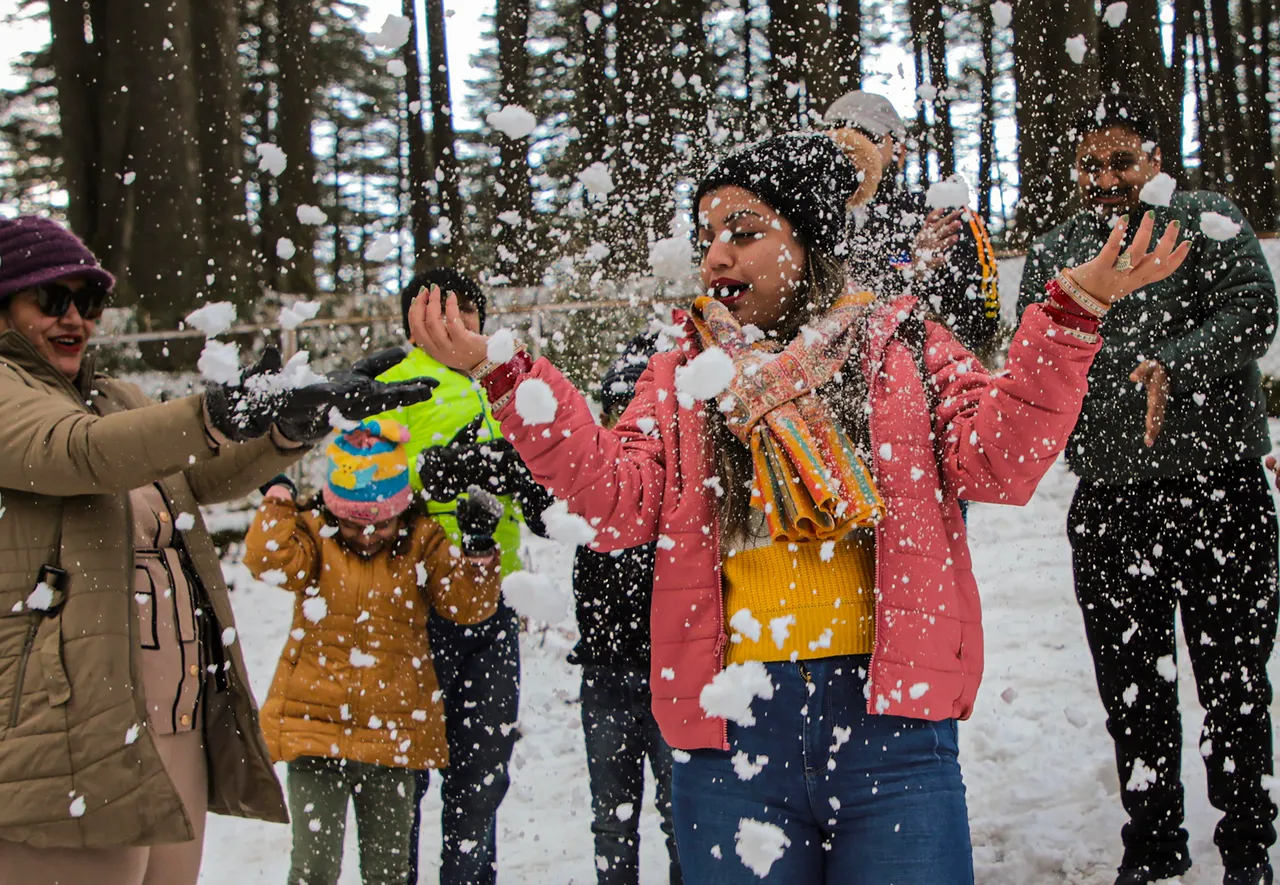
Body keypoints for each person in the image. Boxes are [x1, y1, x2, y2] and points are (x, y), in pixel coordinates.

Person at [408, 131, 1189, 884]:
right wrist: (504, 374)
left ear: (809, 238)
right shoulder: (686, 375)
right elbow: (615, 501)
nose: (716, 254)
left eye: (743, 231)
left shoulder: (903, 348)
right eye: (707, 233)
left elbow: (1002, 460)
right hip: (731, 739)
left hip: (894, 728)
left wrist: (1073, 312)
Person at [0, 215, 437, 885]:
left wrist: (287, 432)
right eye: (50, 300)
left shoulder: (110, 397)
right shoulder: (11, 393)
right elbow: (78, 453)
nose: (75, 319)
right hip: (68, 722)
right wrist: (206, 414)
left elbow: (197, 475)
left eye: (87, 302)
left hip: (167, 716)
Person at [1017, 92, 1280, 885]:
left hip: (1220, 490)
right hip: (1110, 502)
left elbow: (1254, 312)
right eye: (1090, 163)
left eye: (1121, 160)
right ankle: (1155, 842)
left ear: (1155, 159)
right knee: (1132, 690)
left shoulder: (1205, 219)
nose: (1105, 177)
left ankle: (1246, 848)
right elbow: (1042, 344)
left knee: (1234, 683)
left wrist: (1174, 363)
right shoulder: (1060, 244)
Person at [244, 420, 504, 885]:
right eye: (352, 522)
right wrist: (279, 497)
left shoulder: (421, 543)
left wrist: (480, 548)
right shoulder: (315, 540)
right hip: (315, 730)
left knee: (388, 874)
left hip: (392, 737)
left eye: (381, 523)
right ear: (331, 510)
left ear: (402, 512)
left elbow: (468, 606)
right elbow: (267, 559)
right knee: (313, 871)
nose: (367, 535)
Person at [374, 269, 523, 885]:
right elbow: (355, 498)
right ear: (413, 322)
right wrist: (425, 484)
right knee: (403, 782)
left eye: (463, 316)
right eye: (437, 315)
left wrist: (510, 471)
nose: (452, 329)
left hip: (492, 607)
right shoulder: (385, 389)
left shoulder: (506, 384)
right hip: (407, 613)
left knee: (481, 781)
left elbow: (551, 483)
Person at [571, 333, 683, 885]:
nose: (625, 422)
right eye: (613, 408)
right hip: (605, 677)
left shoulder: (678, 484)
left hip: (667, 677)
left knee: (679, 820)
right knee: (612, 825)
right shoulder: (593, 487)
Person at [821, 90, 1001, 355]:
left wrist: (925, 274)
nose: (851, 148)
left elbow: (982, 322)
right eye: (837, 138)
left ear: (899, 150)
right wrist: (907, 274)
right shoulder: (810, 223)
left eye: (867, 137)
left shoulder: (942, 214)